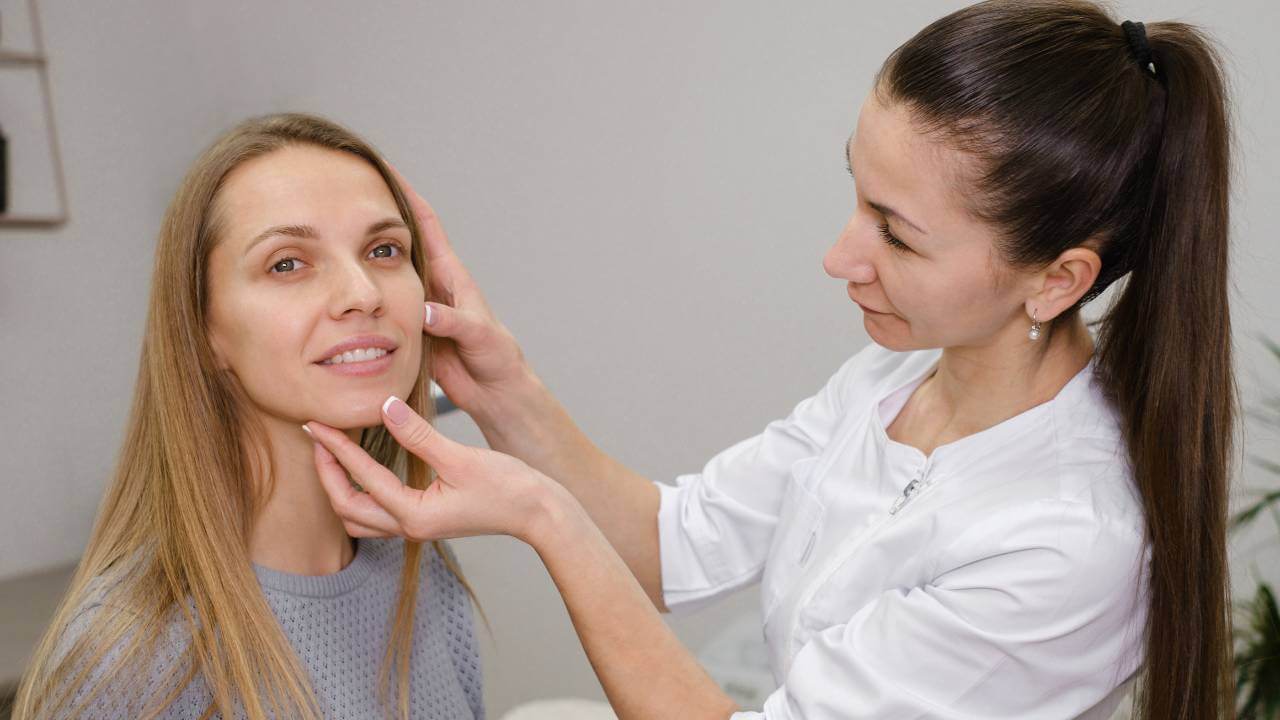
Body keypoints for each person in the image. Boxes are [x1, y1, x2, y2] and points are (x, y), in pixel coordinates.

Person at [307, 1, 1240, 718]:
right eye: (857, 193)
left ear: (1055, 281)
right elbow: (677, 545)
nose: (840, 258)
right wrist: (506, 392)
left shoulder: (1066, 541)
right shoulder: (897, 379)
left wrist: (543, 517)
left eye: (898, 236)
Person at [12, 114, 485, 720]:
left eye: (384, 249)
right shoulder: (129, 659)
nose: (363, 291)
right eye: (287, 263)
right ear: (205, 330)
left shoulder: (426, 573)